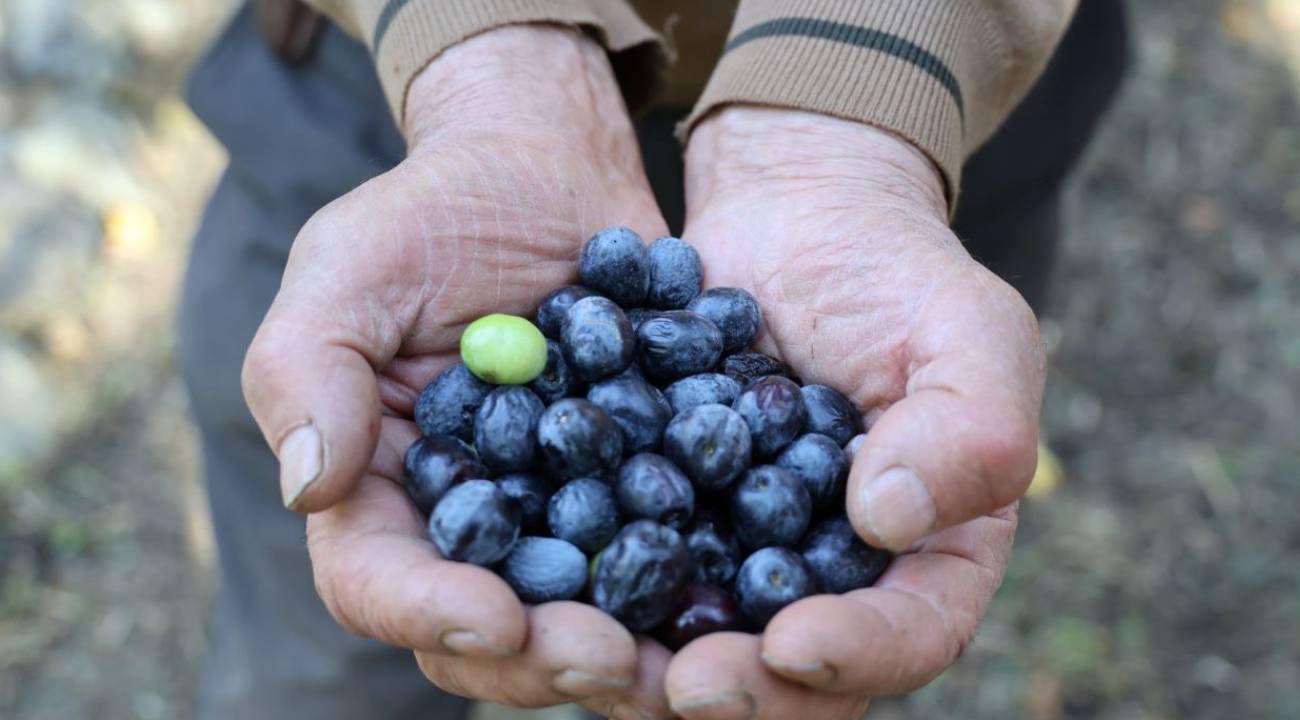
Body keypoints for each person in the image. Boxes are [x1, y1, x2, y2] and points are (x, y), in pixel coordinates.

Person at [179, 1, 1127, 718]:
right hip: (393, 88)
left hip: (931, 116)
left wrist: (853, 87)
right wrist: (487, 44)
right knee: (318, 666)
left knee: (801, 664)